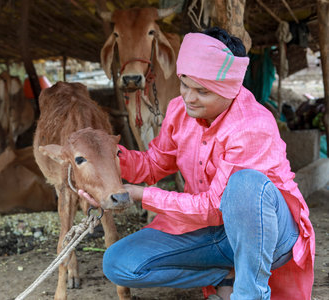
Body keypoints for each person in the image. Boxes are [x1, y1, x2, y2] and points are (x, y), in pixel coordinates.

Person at [79, 27, 315, 300]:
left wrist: (140, 195)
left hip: (267, 237)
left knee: (245, 185)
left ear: (230, 88)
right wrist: (105, 157)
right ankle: (225, 275)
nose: (189, 97)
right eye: (185, 84)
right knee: (119, 263)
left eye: (202, 91)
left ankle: (249, 293)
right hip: (209, 232)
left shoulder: (252, 125)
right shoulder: (180, 109)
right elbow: (154, 164)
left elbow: (214, 206)